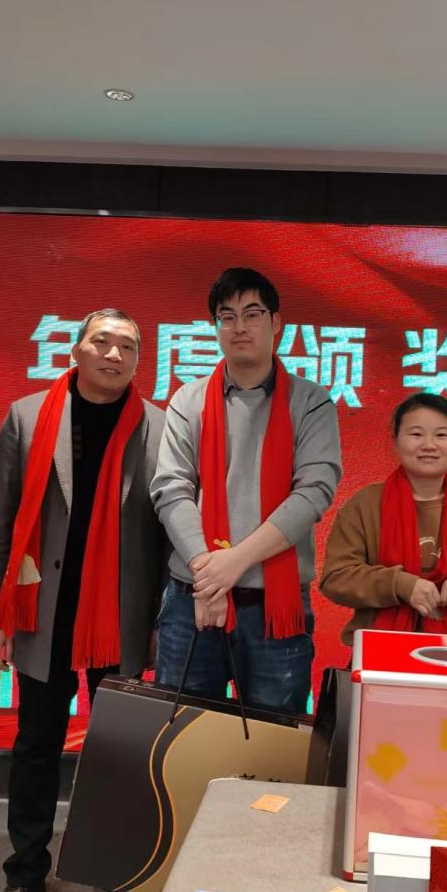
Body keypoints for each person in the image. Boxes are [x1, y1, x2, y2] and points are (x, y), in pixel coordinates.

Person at [0, 309, 166, 892]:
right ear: (77, 350)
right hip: (43, 611)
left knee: (118, 752)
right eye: (101, 341)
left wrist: (162, 623)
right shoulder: (27, 417)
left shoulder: (161, 427)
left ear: (138, 362)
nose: (114, 354)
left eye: (127, 346)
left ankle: (118, 871)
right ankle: (25, 876)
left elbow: (167, 533)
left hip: (120, 614)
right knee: (36, 746)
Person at [151, 267, 342, 713]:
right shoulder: (188, 401)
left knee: (273, 741)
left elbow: (313, 493)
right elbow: (171, 489)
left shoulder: (310, 402)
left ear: (276, 324)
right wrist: (208, 576)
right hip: (193, 600)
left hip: (273, 605)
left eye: (252, 314)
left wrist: (233, 564)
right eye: (227, 316)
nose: (239, 327)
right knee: (179, 738)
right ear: (215, 327)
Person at [320, 392, 447, 644]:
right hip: (380, 647)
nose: (429, 445)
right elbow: (336, 577)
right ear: (395, 442)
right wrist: (399, 585)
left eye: (441, 435)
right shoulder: (364, 505)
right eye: (416, 434)